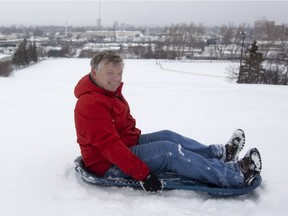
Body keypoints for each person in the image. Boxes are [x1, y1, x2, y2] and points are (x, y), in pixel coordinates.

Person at [74, 50, 262, 193]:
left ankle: (221, 154)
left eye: (119, 73)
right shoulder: (91, 104)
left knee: (167, 136)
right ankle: (233, 176)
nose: (116, 79)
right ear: (94, 71)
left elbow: (123, 125)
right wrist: (144, 174)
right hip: (107, 164)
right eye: (110, 73)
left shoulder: (106, 93)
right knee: (168, 152)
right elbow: (109, 146)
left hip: (124, 143)